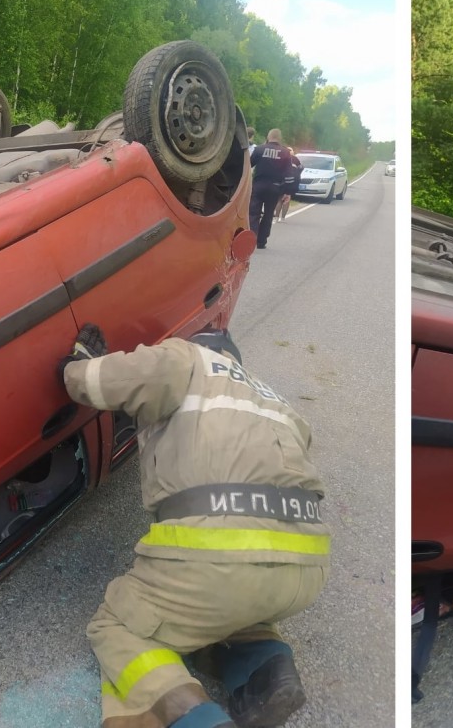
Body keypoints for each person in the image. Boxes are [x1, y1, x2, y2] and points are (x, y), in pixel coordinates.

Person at [59, 324, 330, 728]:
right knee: (235, 610)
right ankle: (266, 666)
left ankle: (192, 718)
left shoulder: (185, 358)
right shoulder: (277, 402)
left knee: (118, 627)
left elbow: (102, 382)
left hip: (218, 564)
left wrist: (77, 365)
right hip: (306, 569)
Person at [249, 129, 292, 249]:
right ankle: (261, 242)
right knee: (268, 215)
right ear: (280, 138)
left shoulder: (259, 149)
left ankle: (251, 240)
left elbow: (248, 165)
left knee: (253, 213)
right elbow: (289, 174)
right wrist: (287, 192)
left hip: (258, 186)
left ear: (268, 137)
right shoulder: (285, 152)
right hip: (275, 188)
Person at [276, 150, 301, 223]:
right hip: (291, 180)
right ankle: (283, 218)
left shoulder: (281, 157)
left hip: (282, 179)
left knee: (280, 199)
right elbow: (300, 168)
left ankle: (276, 217)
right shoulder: (295, 159)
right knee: (287, 199)